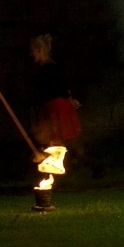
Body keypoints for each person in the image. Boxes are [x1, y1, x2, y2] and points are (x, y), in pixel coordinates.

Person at [29, 34, 92, 177]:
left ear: (40, 50)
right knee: (55, 141)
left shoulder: (50, 68)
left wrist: (69, 99)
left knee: (60, 141)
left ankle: (89, 166)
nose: (31, 54)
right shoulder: (43, 68)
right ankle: (53, 173)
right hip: (51, 107)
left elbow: (61, 88)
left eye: (33, 50)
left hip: (57, 108)